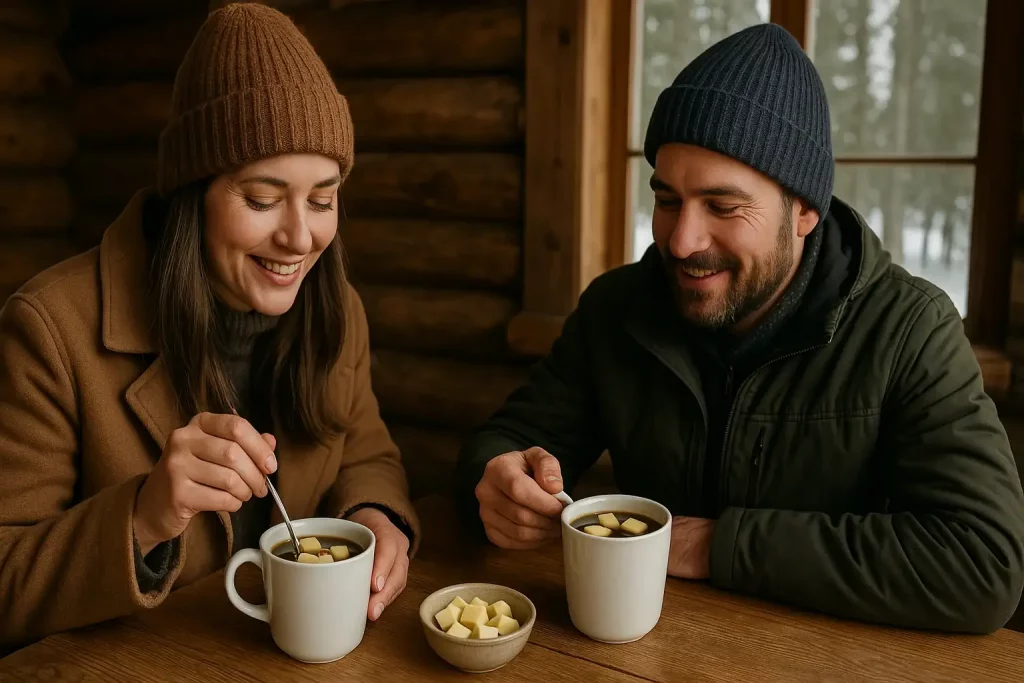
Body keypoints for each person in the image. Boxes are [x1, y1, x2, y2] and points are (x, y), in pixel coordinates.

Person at [456, 24, 1024, 634]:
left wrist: (710, 545)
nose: (681, 241)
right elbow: (509, 439)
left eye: (723, 207)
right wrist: (495, 478)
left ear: (805, 210)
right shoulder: (616, 307)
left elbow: (983, 563)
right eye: (668, 199)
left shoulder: (911, 329)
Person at [0, 3, 417, 646]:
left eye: (324, 198)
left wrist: (375, 516)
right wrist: (144, 515)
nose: (300, 237)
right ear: (190, 196)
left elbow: (364, 452)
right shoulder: (50, 328)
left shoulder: (337, 310)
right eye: (261, 199)